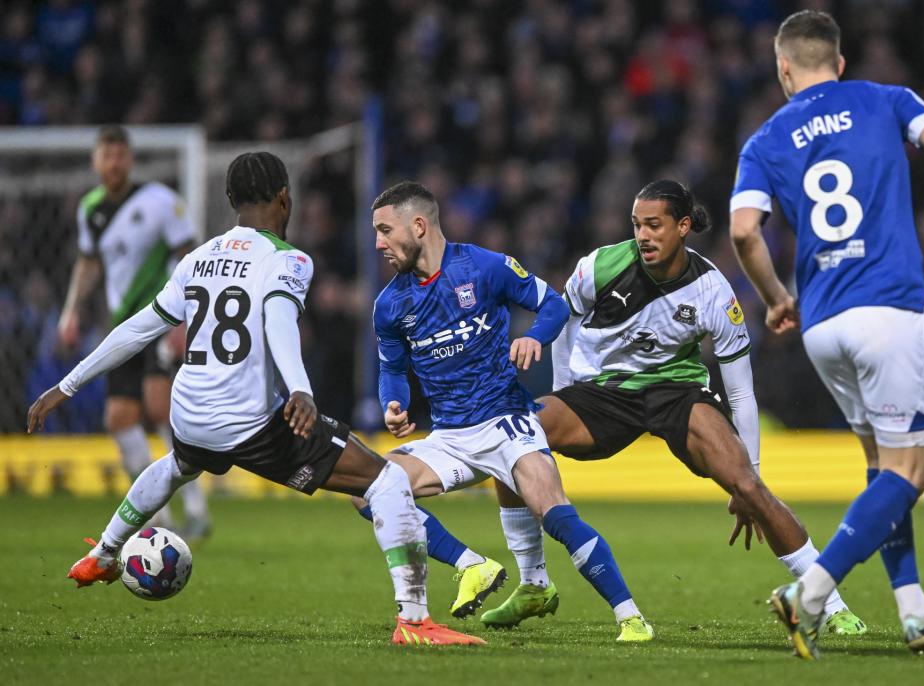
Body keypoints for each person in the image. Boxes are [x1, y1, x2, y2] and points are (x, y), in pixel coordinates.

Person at [363, 180, 863, 639]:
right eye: (636, 225)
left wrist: (748, 472)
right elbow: (562, 312)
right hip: (600, 393)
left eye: (654, 225)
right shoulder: (600, 266)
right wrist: (563, 388)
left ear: (683, 228)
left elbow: (741, 393)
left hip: (676, 392)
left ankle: (830, 600)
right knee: (515, 430)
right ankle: (534, 581)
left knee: (750, 488)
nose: (642, 235)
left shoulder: (713, 292)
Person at [27, 152, 483, 647]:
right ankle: (415, 623)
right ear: (285, 197)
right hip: (247, 423)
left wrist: (65, 385)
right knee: (387, 479)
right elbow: (278, 322)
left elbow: (138, 328)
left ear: (230, 200)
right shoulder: (287, 259)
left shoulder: (196, 258)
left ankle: (106, 551)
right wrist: (301, 389)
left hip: (190, 412)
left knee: (180, 463)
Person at [729, 10, 924, 659]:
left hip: (823, 320)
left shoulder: (765, 137)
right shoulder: (885, 98)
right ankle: (809, 593)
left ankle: (914, 610)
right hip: (888, 306)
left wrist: (776, 298)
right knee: (910, 473)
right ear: (840, 61)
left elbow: (745, 230)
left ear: (783, 70)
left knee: (882, 468)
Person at [364, 181, 654, 642]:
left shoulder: (484, 267)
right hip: (450, 437)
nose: (377, 243)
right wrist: (392, 404)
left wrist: (535, 337)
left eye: (384, 230)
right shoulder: (390, 305)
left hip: (506, 423)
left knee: (554, 513)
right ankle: (470, 565)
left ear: (418, 225)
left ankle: (630, 617)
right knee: (369, 488)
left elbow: (553, 305)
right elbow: (392, 370)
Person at [58, 124, 210, 539]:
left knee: (161, 408)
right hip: (122, 324)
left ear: (130, 158)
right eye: (107, 154)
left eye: (121, 154)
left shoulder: (159, 201)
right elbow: (88, 262)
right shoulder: (90, 208)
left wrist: (184, 319)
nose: (114, 162)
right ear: (96, 161)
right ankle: (156, 514)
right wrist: (70, 312)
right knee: (119, 417)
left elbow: (189, 257)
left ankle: (196, 509)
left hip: (160, 319)